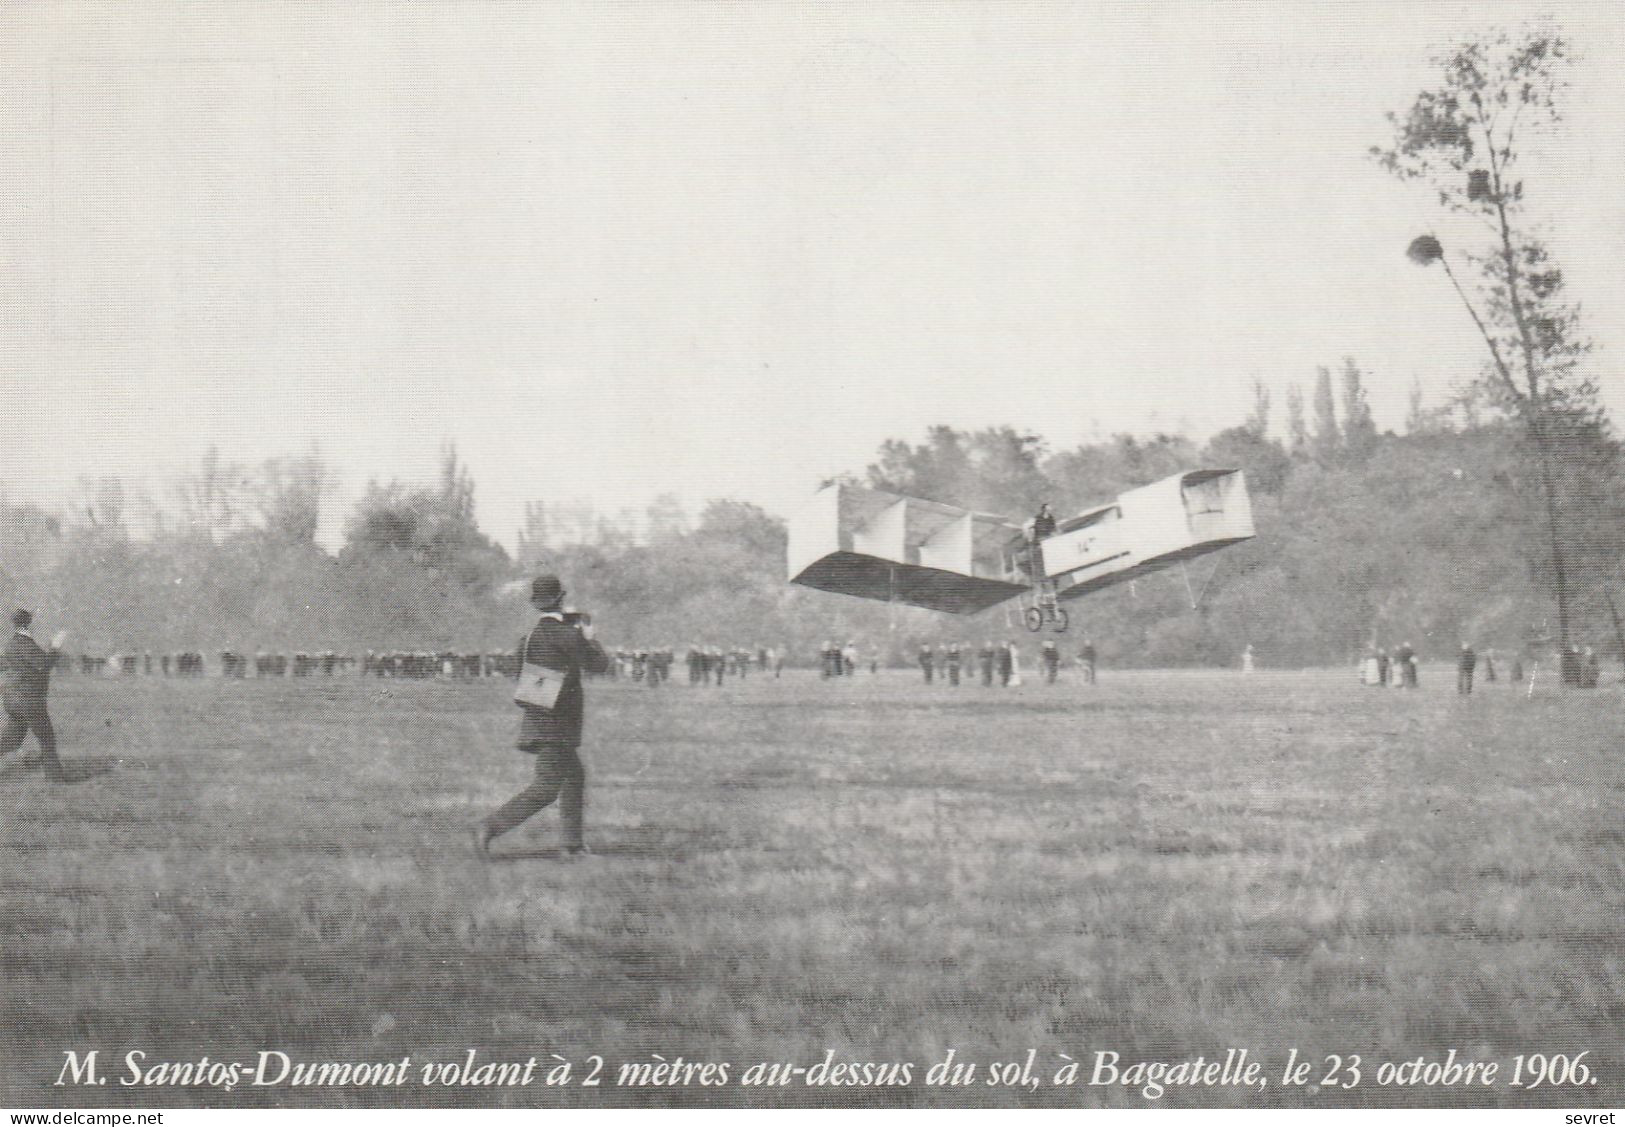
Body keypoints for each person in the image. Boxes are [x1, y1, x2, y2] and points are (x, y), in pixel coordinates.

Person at [476, 575, 609, 859]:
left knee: (573, 777)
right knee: (547, 787)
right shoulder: (568, 635)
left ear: (537, 604)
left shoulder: (529, 637)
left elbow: (517, 672)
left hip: (539, 717)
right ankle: (489, 827)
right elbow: (599, 664)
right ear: (561, 600)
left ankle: (572, 846)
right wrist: (589, 635)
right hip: (559, 723)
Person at [1, 609, 66, 781]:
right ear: (29, 622)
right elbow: (44, 664)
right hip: (28, 700)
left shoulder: (11, 643)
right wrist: (55, 647)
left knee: (10, 739)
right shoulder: (25, 642)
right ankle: (56, 780)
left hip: (12, 700)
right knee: (46, 738)